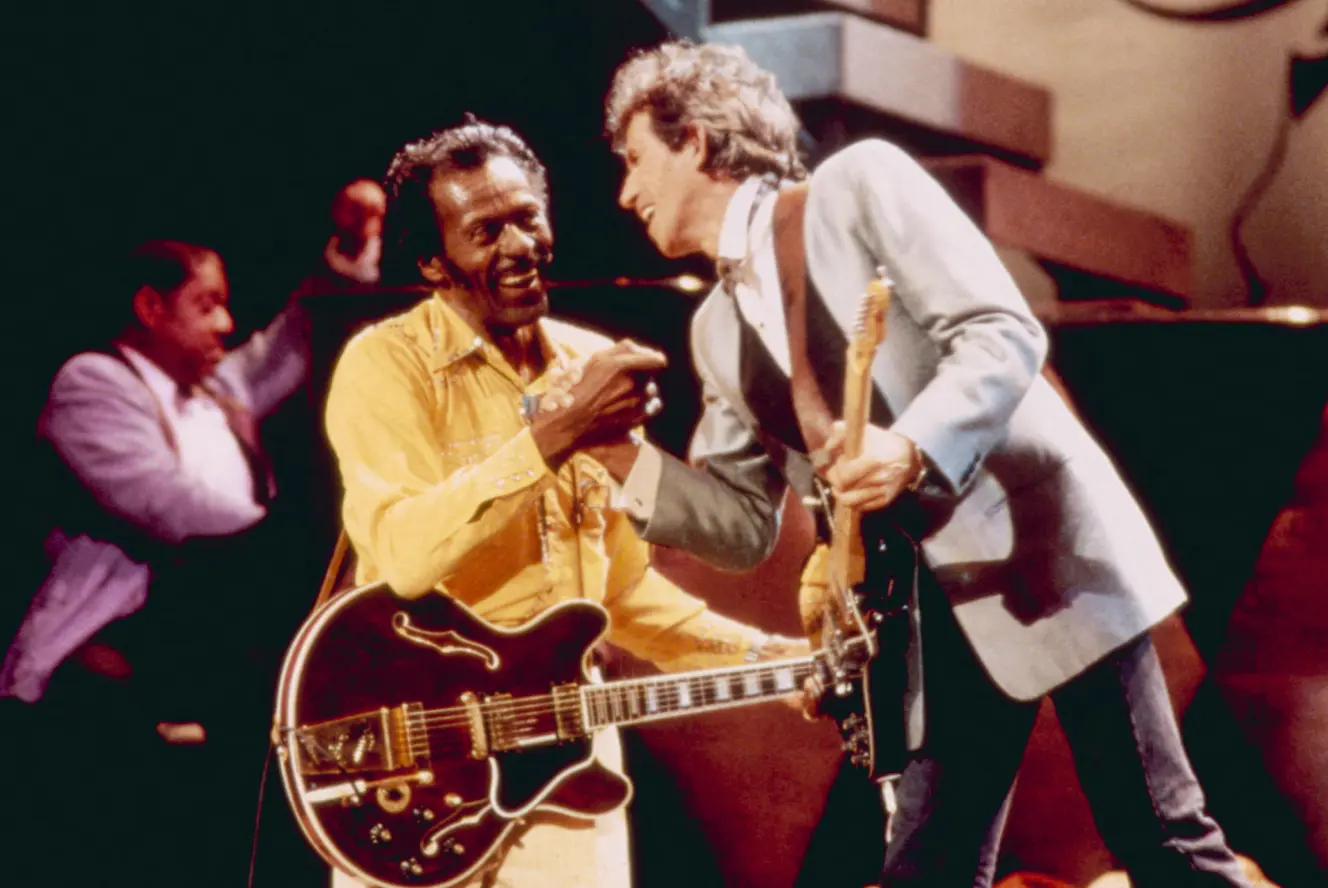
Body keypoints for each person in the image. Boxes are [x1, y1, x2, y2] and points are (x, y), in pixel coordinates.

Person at [579, 39, 1255, 887]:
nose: (626, 192)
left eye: (637, 159)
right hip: (924, 607)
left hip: (1040, 549)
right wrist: (614, 456)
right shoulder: (713, 330)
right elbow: (743, 523)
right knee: (926, 870)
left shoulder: (858, 183)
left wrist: (911, 447)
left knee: (1160, 838)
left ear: (699, 142)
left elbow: (1002, 332)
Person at [322, 116, 807, 888]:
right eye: (486, 232)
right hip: (415, 765)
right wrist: (559, 433)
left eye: (528, 218)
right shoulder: (382, 365)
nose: (518, 247)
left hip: (565, 763)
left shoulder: (586, 361)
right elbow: (408, 557)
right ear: (431, 262)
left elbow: (621, 596)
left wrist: (770, 659)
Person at [0, 240, 322, 888]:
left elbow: (289, 341)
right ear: (149, 305)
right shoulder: (93, 383)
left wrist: (349, 249)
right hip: (108, 657)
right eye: (206, 305)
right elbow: (168, 505)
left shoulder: (213, 392)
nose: (225, 325)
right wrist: (293, 544)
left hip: (207, 641)